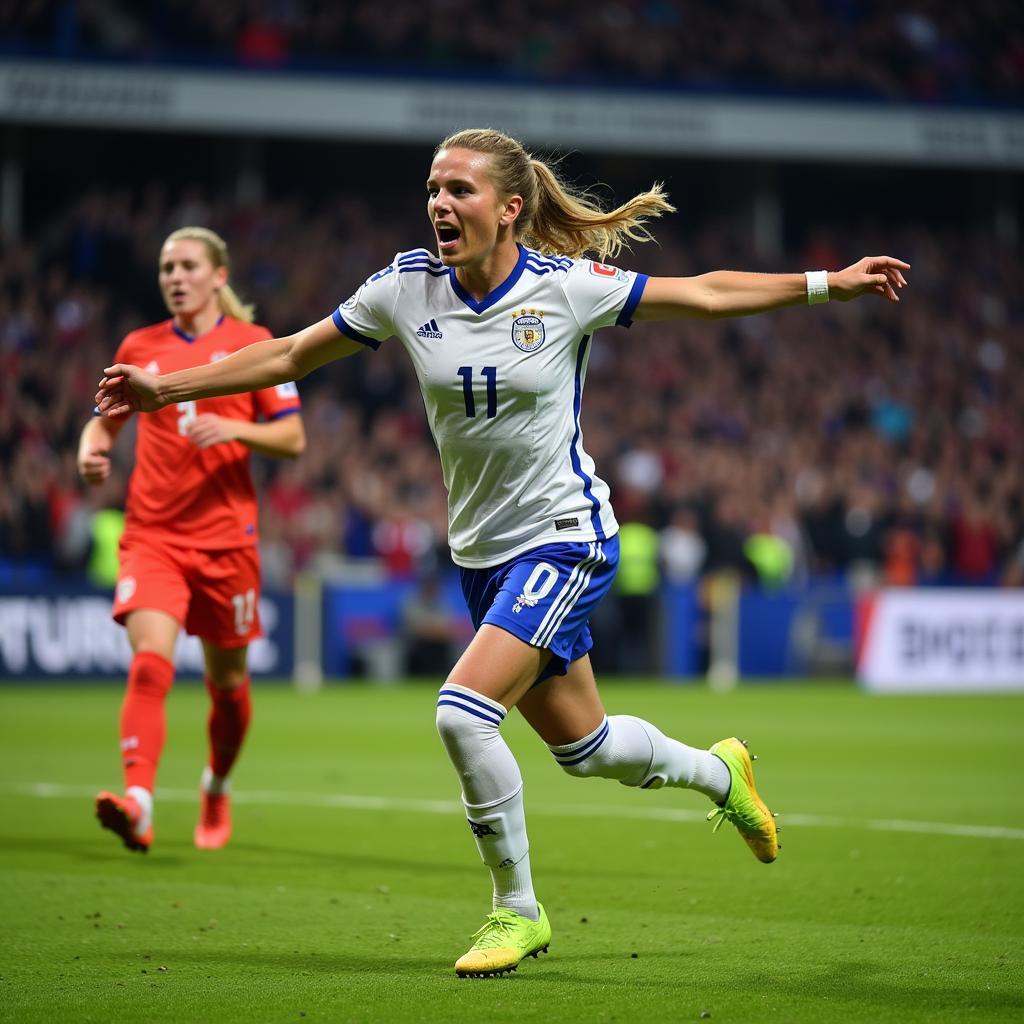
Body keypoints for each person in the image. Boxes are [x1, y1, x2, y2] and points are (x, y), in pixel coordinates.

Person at [95, 130, 908, 969]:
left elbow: (700, 294)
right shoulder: (406, 287)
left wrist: (826, 284)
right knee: (586, 750)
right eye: (433, 188)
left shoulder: (565, 288)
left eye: (460, 190)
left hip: (565, 538)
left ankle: (516, 911)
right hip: (482, 557)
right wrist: (168, 387)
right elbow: (292, 352)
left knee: (461, 711)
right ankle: (720, 773)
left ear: (510, 208)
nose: (440, 204)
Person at [79, 226, 305, 854]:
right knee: (150, 662)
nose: (174, 277)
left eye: (186, 266)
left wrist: (235, 433)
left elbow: (292, 439)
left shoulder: (252, 345)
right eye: (165, 268)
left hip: (228, 541)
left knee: (228, 684)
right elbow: (103, 427)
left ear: (218, 275)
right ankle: (139, 803)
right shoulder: (139, 345)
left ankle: (216, 784)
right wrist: (90, 453)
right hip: (152, 536)